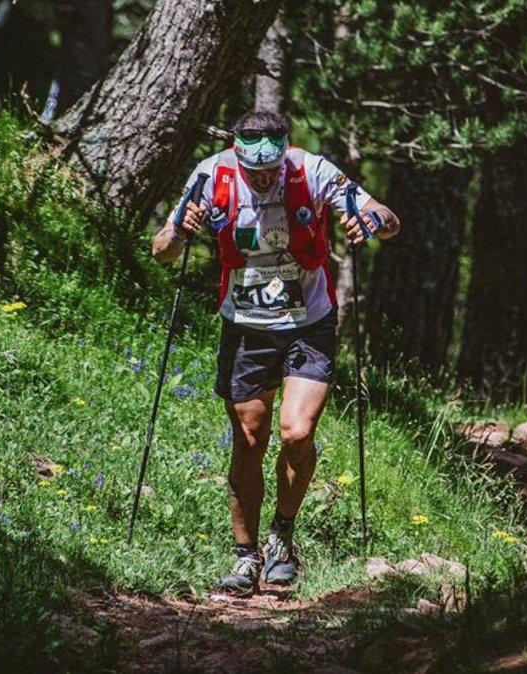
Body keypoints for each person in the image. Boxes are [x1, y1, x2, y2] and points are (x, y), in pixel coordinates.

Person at [151, 111, 401, 594]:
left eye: (271, 170)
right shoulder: (210, 174)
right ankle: (246, 557)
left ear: (285, 152)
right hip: (245, 326)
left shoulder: (313, 171)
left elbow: (389, 220)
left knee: (297, 431)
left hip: (308, 321)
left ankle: (282, 537)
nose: (264, 179)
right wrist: (181, 230)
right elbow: (161, 251)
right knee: (248, 438)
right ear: (238, 156)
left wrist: (369, 221)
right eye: (255, 171)